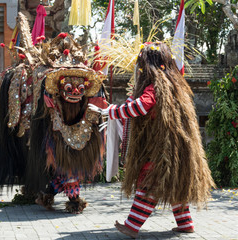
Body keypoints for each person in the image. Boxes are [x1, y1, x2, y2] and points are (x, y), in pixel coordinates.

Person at [90, 42, 215, 238]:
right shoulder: (173, 85)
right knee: (175, 183)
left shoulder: (155, 86)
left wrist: (112, 111)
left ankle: (132, 226)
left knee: (149, 184)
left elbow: (140, 107)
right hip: (176, 146)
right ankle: (185, 224)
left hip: (161, 149)